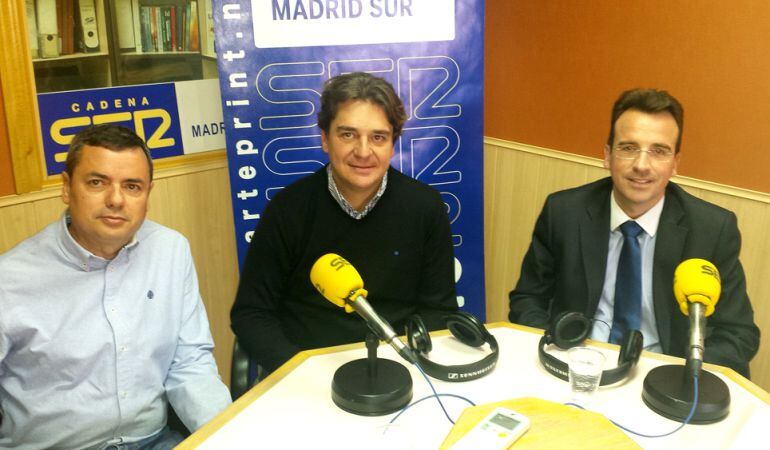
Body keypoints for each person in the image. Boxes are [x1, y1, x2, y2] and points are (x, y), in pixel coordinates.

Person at [0, 124, 231, 449]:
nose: (116, 200)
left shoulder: (170, 250)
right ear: (66, 187)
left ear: (147, 194)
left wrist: (227, 436)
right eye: (97, 183)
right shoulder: (9, 278)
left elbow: (189, 363)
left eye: (132, 186)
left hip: (153, 440)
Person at [508, 88, 759, 377]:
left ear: (675, 163)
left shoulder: (712, 229)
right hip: (573, 363)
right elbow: (527, 300)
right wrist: (555, 352)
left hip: (664, 374)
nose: (641, 165)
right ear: (607, 155)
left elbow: (737, 334)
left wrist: (681, 374)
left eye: (659, 151)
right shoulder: (564, 212)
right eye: (628, 148)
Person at [231, 72, 458, 373]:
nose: (363, 152)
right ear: (325, 139)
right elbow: (251, 314)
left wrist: (405, 365)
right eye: (348, 135)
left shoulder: (425, 207)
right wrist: (301, 373)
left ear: (392, 145)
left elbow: (439, 310)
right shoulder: (287, 210)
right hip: (310, 369)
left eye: (378, 137)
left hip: (398, 365)